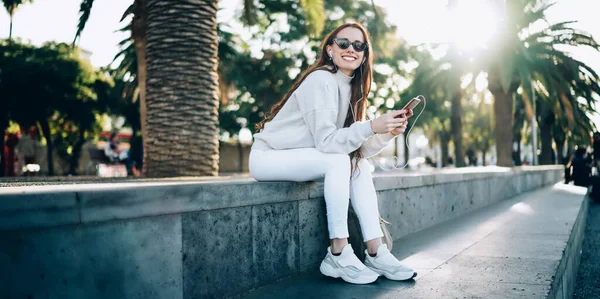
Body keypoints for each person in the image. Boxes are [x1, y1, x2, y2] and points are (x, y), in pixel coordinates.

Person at [249, 23, 415, 285]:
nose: (351, 49)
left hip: (304, 156)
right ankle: (337, 252)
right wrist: (371, 126)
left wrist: (386, 133)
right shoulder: (321, 79)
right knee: (340, 160)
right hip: (268, 157)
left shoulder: (353, 89)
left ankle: (376, 250)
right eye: (343, 43)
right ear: (330, 49)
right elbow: (328, 143)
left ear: (364, 55)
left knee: (357, 164)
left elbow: (352, 147)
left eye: (359, 46)